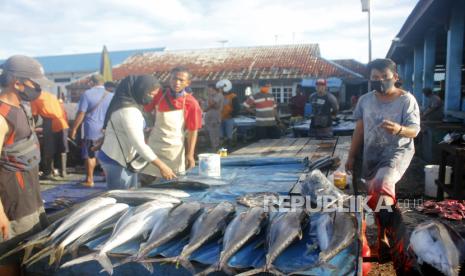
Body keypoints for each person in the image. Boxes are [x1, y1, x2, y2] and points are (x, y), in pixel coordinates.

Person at [345, 58, 421, 274]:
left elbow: (414, 131)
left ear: (395, 77)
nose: (380, 81)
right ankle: (382, 238)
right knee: (376, 197)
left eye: (384, 77)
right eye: (374, 78)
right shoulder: (365, 101)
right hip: (371, 155)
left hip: (396, 153)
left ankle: (404, 255)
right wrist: (351, 156)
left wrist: (398, 128)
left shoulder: (407, 100)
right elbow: (359, 130)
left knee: (382, 184)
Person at [0, 55, 49, 275]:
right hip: (12, 201)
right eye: (35, 83)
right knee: (10, 256)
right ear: (17, 83)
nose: (38, 89)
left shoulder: (21, 107)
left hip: (30, 196)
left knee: (30, 251)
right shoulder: (1, 116)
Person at [98, 75, 176, 189]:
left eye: (154, 95)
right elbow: (139, 145)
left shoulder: (129, 105)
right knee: (120, 199)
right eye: (150, 94)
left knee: (130, 193)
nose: (151, 98)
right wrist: (162, 166)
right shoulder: (129, 111)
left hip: (123, 158)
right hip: (117, 160)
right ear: (140, 90)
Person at [143, 67, 202, 178]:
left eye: (181, 80)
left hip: (174, 150)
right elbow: (145, 111)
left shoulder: (192, 103)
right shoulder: (158, 95)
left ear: (188, 83)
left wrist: (190, 154)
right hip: (154, 146)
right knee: (148, 180)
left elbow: (193, 131)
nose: (177, 82)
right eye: (174, 78)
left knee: (173, 182)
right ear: (170, 79)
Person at [70, 74, 113, 187]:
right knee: (106, 153)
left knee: (90, 154)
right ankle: (107, 176)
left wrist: (74, 129)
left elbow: (81, 113)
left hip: (91, 129)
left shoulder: (87, 94)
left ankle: (89, 179)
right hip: (106, 129)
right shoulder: (111, 95)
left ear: (91, 83)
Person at [31, 91, 69, 180]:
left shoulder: (34, 98)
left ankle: (48, 173)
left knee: (49, 148)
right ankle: (63, 172)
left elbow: (35, 116)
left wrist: (32, 127)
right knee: (63, 148)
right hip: (62, 122)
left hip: (49, 123)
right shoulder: (51, 95)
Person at [217, 79, 240, 147]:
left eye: (221, 88)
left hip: (228, 119)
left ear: (226, 87)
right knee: (220, 135)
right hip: (220, 118)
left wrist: (231, 115)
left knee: (229, 135)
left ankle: (229, 149)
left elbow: (237, 108)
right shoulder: (219, 96)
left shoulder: (233, 96)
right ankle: (221, 149)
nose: (220, 89)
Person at [204, 84, 224, 151]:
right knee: (210, 132)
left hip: (215, 116)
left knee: (214, 132)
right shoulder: (211, 96)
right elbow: (206, 107)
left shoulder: (218, 95)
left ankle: (215, 147)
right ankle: (213, 146)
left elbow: (212, 104)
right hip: (209, 116)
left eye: (209, 89)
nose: (208, 91)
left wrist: (209, 96)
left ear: (214, 89)